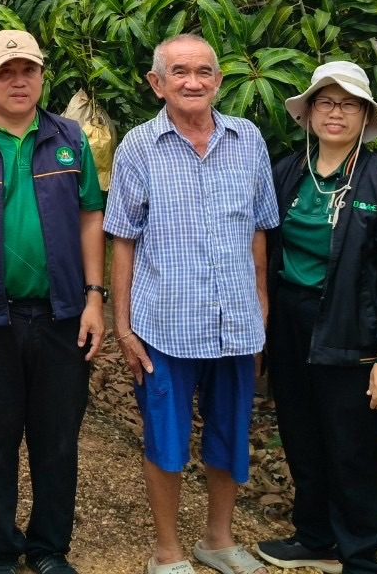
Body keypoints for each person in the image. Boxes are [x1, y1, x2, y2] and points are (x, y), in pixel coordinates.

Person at [0, 29, 106, 574]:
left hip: (61, 316)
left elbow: (90, 218)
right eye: (5, 72)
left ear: (41, 75)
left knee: (57, 439)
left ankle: (50, 548)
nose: (18, 81)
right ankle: (1, 548)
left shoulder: (71, 139)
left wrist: (95, 299)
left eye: (27, 70)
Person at [105, 34, 279, 574]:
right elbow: (123, 239)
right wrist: (125, 328)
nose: (193, 82)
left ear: (219, 80)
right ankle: (167, 552)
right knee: (166, 440)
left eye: (204, 71)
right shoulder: (139, 145)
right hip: (165, 326)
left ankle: (218, 541)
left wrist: (261, 308)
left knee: (229, 436)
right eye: (179, 72)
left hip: (234, 324)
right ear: (157, 83)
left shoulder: (247, 138)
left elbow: (258, 231)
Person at [256, 62, 377, 574]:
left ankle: (359, 554)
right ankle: (315, 537)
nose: (335, 113)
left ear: (366, 116)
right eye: (325, 102)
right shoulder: (286, 172)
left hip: (353, 328)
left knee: (352, 447)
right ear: (307, 112)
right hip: (291, 321)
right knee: (302, 435)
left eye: (349, 104)